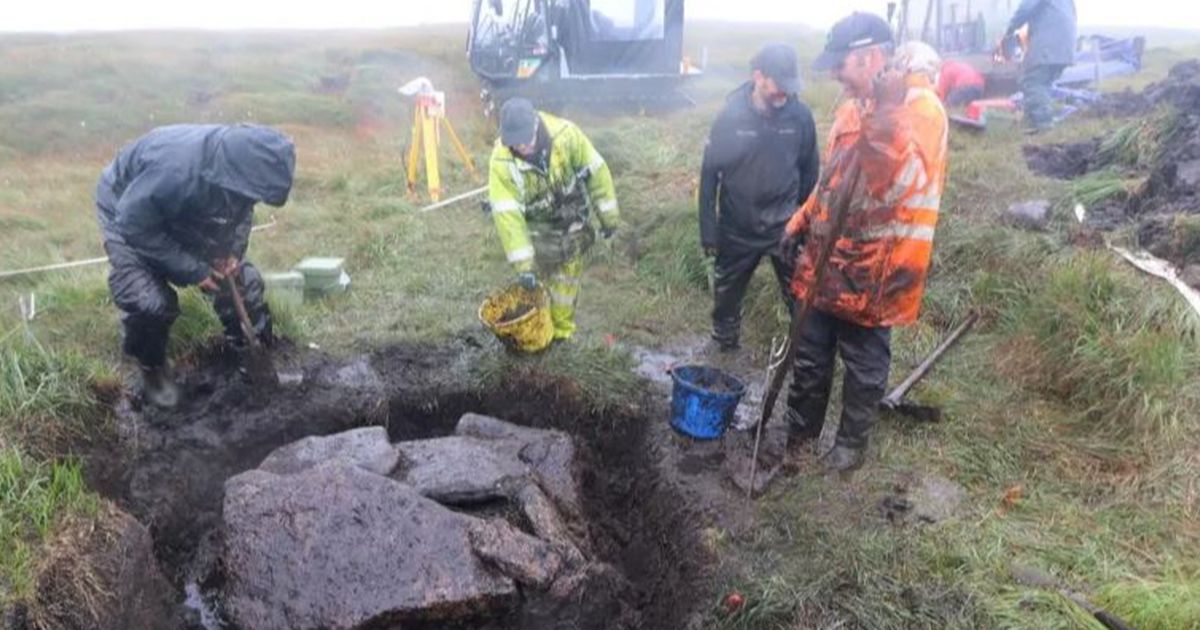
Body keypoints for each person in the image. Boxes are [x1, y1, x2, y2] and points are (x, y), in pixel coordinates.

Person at [781, 12, 948, 472]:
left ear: (873, 57)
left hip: (877, 269)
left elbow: (892, 183)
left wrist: (886, 113)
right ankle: (799, 433)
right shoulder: (853, 105)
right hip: (827, 259)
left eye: (843, 64)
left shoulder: (920, 111)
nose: (835, 73)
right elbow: (832, 175)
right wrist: (801, 220)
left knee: (863, 364)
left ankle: (849, 448)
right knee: (810, 352)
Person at [95, 124, 295, 409]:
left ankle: (253, 362)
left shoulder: (239, 178)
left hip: (188, 210)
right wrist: (194, 270)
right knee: (149, 303)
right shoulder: (175, 171)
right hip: (128, 212)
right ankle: (153, 371)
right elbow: (133, 224)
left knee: (242, 283)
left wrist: (230, 252)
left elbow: (241, 212)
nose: (251, 200)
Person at [699, 43, 820, 352]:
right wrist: (708, 229)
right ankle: (724, 345)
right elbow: (710, 174)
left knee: (801, 298)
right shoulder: (731, 115)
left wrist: (803, 221)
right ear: (758, 77)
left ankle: (802, 356)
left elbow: (810, 171)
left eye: (791, 87)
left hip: (785, 228)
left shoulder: (800, 117)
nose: (785, 94)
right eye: (780, 85)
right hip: (737, 226)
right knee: (726, 298)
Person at [487, 98, 620, 341]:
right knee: (539, 281)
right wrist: (524, 266)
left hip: (572, 219)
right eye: (514, 142)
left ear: (536, 125)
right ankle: (539, 327)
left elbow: (597, 173)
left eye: (525, 140)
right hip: (536, 227)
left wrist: (609, 219)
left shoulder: (567, 135)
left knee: (565, 281)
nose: (521, 147)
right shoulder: (501, 163)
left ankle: (561, 333)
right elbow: (508, 217)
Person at [1003, 0, 1077, 133]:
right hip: (1066, 44)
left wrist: (1010, 29)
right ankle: (1033, 119)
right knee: (1043, 83)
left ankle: (1043, 124)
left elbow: (1025, 8)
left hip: (1050, 40)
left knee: (1033, 81)